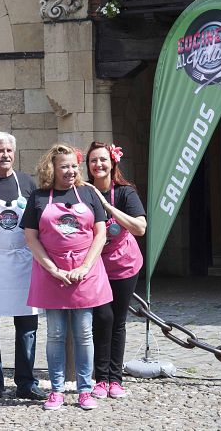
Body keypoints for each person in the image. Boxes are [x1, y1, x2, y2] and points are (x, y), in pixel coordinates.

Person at [20, 143, 112, 411]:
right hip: (52, 272)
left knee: (84, 332)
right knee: (56, 333)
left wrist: (84, 266)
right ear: (52, 168)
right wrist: (51, 268)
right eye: (65, 166)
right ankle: (57, 390)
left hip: (85, 272)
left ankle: (85, 389)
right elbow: (30, 236)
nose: (71, 171)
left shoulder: (88, 193)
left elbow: (100, 234)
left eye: (74, 166)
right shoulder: (38, 197)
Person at [0, 132, 45, 401]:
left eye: (9, 150)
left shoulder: (27, 183)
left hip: (23, 262)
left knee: (27, 326)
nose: (5, 155)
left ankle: (26, 382)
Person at [86, 142, 146, 400]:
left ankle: (115, 379)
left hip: (123, 264)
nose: (98, 165)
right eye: (93, 161)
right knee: (101, 319)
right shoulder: (82, 192)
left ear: (112, 163)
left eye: (103, 160)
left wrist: (107, 206)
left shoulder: (125, 192)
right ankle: (100, 379)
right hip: (96, 264)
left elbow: (139, 227)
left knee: (118, 321)